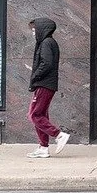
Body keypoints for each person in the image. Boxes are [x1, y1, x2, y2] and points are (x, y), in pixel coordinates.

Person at [26, 18, 70, 158]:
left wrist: (35, 76)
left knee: (34, 115)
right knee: (41, 115)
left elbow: (46, 63)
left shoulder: (46, 43)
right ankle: (43, 147)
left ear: (41, 29)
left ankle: (59, 135)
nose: (33, 33)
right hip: (46, 84)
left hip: (44, 84)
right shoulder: (49, 42)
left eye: (34, 30)